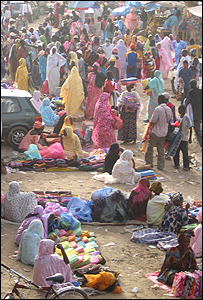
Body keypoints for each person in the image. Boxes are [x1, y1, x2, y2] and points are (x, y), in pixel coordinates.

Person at [145, 95, 173, 170]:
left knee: (150, 148)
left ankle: (149, 163)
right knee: (161, 149)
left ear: (159, 100)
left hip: (156, 131)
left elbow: (153, 120)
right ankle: (160, 166)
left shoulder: (158, 109)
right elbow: (169, 119)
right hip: (164, 132)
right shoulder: (168, 109)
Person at [173, 105, 192, 171]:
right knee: (176, 151)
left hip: (184, 138)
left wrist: (190, 138)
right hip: (178, 137)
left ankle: (186, 166)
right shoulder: (179, 117)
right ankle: (176, 164)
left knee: (185, 152)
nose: (179, 111)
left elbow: (190, 127)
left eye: (180, 110)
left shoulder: (186, 117)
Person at [185, 79, 202, 147]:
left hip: (194, 113)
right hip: (200, 112)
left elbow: (187, 101)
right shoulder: (200, 91)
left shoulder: (191, 92)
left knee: (197, 129)